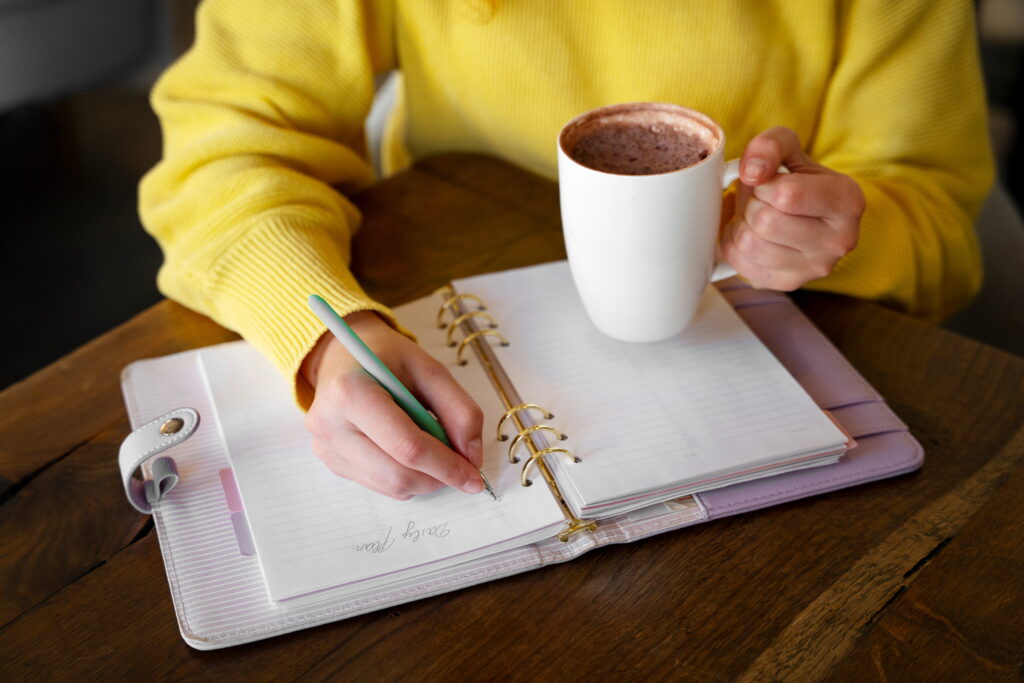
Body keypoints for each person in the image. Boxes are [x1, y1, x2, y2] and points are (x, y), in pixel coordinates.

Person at [139, 0, 993, 500]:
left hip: (784, 378)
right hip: (440, 280)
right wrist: (324, 338)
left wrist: (842, 228)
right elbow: (222, 146)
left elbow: (942, 224)